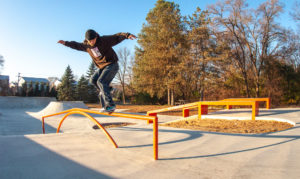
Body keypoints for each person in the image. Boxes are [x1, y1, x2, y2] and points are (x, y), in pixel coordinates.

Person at [58, 29, 136, 113]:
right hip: (102, 67)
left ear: (96, 37)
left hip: (112, 64)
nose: (92, 42)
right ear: (87, 40)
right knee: (93, 80)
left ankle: (111, 105)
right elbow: (76, 45)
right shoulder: (86, 46)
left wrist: (127, 35)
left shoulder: (104, 40)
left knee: (101, 82)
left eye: (93, 40)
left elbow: (116, 37)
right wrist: (66, 43)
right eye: (90, 41)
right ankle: (108, 90)